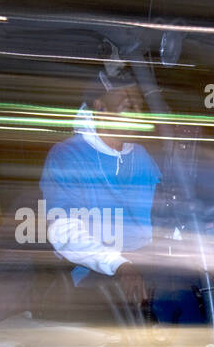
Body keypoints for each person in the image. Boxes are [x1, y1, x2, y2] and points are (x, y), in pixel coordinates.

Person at [40, 68, 162, 317]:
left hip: (146, 264)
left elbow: (166, 215)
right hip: (97, 275)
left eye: (140, 107)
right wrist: (119, 265)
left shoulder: (142, 157)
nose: (138, 114)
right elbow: (64, 231)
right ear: (100, 107)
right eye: (129, 106)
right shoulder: (68, 156)